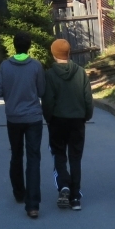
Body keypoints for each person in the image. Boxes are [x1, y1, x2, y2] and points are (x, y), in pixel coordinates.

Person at [0, 31, 45, 218]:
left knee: (16, 154)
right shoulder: (36, 66)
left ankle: (19, 192)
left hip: (14, 117)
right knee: (33, 158)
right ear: (29, 47)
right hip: (33, 118)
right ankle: (33, 205)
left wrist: (10, 92)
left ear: (14, 46)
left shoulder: (6, 66)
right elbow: (42, 91)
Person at [41, 38, 93, 211]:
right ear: (69, 52)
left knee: (59, 154)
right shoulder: (81, 72)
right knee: (75, 157)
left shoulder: (49, 75)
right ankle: (75, 197)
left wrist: (48, 117)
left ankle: (64, 184)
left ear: (53, 54)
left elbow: (48, 101)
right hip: (77, 120)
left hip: (57, 120)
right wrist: (86, 115)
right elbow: (87, 98)